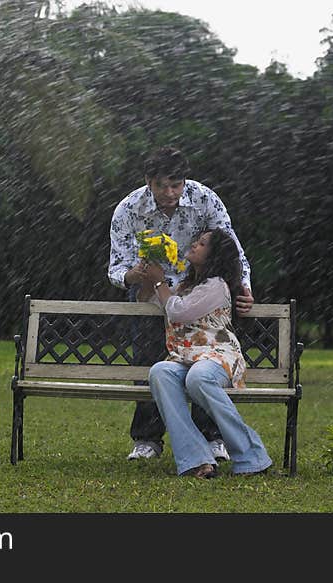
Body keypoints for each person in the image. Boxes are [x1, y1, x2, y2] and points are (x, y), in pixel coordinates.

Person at [108, 146, 254, 461]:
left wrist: (244, 288)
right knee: (149, 365)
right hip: (150, 299)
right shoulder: (128, 209)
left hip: (200, 296)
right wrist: (136, 274)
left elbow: (232, 250)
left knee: (204, 365)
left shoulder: (205, 199)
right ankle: (147, 438)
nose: (171, 193)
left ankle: (213, 437)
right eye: (162, 186)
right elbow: (116, 270)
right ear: (149, 181)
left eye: (177, 185)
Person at [143, 228, 273, 478]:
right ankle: (196, 458)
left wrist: (160, 281)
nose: (194, 245)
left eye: (202, 244)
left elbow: (178, 312)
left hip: (217, 355)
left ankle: (252, 456)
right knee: (160, 371)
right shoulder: (185, 285)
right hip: (186, 357)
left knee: (199, 378)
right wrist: (147, 277)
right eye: (197, 241)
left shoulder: (216, 285)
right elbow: (151, 300)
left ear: (214, 256)